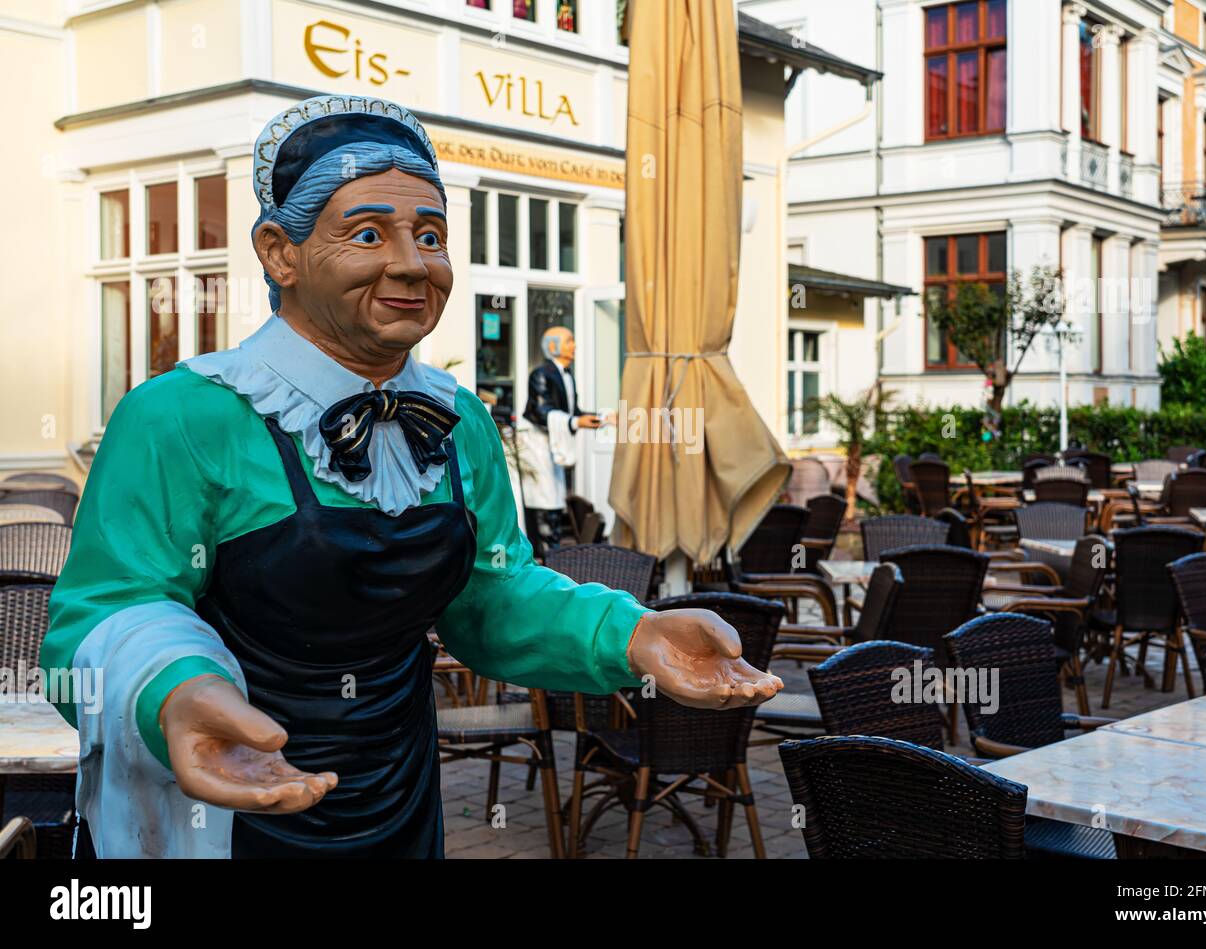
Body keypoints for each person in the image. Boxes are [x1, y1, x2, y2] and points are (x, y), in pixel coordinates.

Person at [40, 94, 782, 859]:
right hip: (225, 808)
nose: (411, 263)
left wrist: (633, 632)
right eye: (368, 233)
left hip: (400, 801)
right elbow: (93, 623)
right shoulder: (181, 415)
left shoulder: (459, 418)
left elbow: (492, 598)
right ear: (278, 252)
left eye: (431, 236)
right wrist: (176, 693)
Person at [517, 326, 600, 550]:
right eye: (569, 341)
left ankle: (553, 550)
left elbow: (572, 411)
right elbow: (541, 412)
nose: (574, 346)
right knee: (543, 497)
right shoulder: (541, 374)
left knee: (554, 496)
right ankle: (545, 551)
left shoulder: (567, 376)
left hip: (553, 447)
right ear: (553, 346)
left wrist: (598, 418)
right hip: (538, 447)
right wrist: (575, 422)